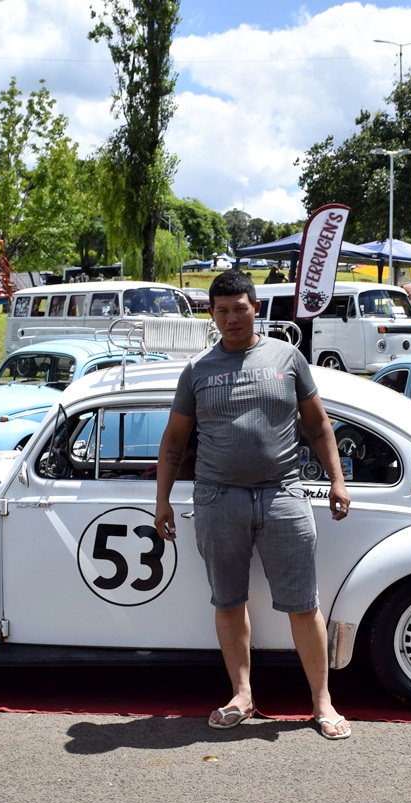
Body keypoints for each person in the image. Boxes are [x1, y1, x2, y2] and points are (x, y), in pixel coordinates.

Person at [153, 269, 353, 741]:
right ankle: (241, 695)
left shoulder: (287, 357)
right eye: (222, 310)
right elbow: (174, 441)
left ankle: (322, 702)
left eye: (239, 308)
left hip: (284, 494)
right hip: (217, 498)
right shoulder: (197, 370)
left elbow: (318, 425)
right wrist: (161, 500)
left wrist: (337, 481)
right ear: (211, 314)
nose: (232, 318)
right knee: (228, 601)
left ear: (255, 308)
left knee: (303, 603)